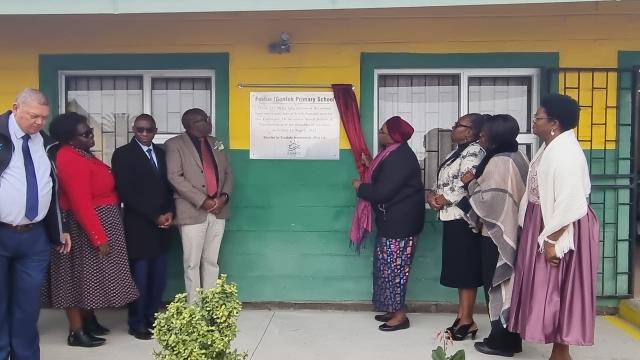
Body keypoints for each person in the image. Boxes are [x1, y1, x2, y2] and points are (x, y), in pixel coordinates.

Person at [509, 94, 599, 360]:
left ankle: (562, 353)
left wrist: (551, 241)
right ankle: (557, 351)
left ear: (554, 123)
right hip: (546, 221)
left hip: (561, 226)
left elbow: (571, 203)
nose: (533, 122)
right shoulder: (551, 146)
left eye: (538, 118)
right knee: (548, 289)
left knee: (561, 289)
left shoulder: (566, 153)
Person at [42, 112, 138, 347]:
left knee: (88, 276)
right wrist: (99, 237)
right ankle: (76, 331)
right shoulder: (68, 158)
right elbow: (80, 202)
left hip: (98, 221)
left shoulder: (82, 153)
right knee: (72, 278)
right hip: (80, 227)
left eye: (90, 130)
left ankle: (89, 320)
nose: (91, 135)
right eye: (85, 133)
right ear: (70, 139)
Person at [0, 89, 70, 360]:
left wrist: (58, 229)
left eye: (43, 117)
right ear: (15, 107)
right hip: (2, 232)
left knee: (28, 307)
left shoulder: (46, 144)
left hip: (35, 238)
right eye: (33, 116)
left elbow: (51, 190)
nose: (39, 122)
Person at [459, 114, 528, 357]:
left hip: (497, 235)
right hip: (512, 230)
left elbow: (489, 203)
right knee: (509, 287)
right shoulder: (518, 157)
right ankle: (509, 338)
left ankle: (501, 340)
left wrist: (470, 183)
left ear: (495, 136)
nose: (480, 137)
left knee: (497, 286)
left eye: (484, 133)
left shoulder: (500, 162)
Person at [351, 116, 425, 332]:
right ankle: (393, 309)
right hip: (393, 221)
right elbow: (384, 175)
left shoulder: (400, 158)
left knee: (395, 269)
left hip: (401, 224)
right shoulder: (391, 153)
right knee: (386, 267)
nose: (379, 132)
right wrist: (369, 164)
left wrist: (360, 187)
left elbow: (383, 191)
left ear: (393, 135)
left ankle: (400, 316)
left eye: (383, 130)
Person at [111, 114, 175, 340]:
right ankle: (137, 323)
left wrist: (169, 213)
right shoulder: (123, 154)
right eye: (140, 130)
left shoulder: (161, 153)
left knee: (158, 279)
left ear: (155, 130)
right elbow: (126, 192)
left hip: (163, 228)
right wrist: (154, 216)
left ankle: (152, 318)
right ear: (134, 130)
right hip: (139, 227)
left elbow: (169, 188)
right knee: (140, 278)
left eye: (149, 130)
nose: (145, 134)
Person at [426, 113, 487, 341]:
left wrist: (444, 199)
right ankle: (462, 316)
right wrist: (433, 196)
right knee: (459, 271)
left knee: (466, 271)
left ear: (470, 131)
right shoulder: (458, 151)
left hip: (465, 219)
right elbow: (444, 180)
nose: (453, 127)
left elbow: (466, 183)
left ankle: (467, 320)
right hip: (451, 217)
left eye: (458, 125)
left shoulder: (474, 152)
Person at [165, 108, 233, 303]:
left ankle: (210, 304)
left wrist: (223, 197)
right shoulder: (174, 145)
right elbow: (174, 176)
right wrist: (203, 201)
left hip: (218, 211)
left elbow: (228, 172)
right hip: (192, 211)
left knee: (212, 261)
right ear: (192, 124)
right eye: (205, 119)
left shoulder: (216, 142)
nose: (209, 122)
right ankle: (194, 307)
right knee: (192, 263)